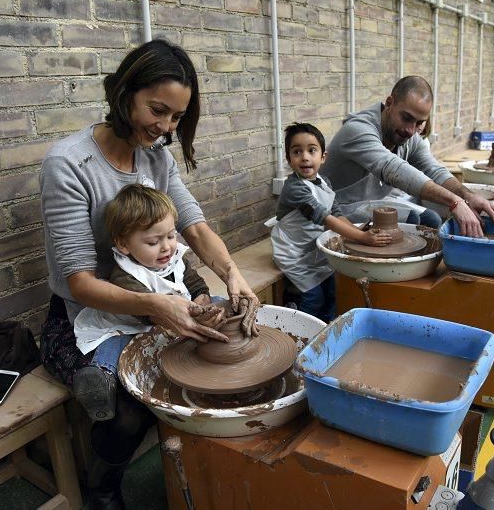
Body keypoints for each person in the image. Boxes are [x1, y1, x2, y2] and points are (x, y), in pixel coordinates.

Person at [39, 39, 259, 509]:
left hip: (160, 295)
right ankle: (101, 489)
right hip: (84, 317)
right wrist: (156, 307)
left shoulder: (157, 157)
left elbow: (194, 227)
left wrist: (232, 274)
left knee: (220, 345)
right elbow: (78, 280)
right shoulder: (69, 164)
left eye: (176, 118)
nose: (164, 129)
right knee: (131, 410)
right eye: (157, 110)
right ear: (123, 93)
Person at [72, 184, 225, 421]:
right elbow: (150, 314)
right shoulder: (125, 274)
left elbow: (192, 279)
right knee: (116, 344)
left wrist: (201, 297)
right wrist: (190, 312)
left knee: (219, 303)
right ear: (124, 244)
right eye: (153, 242)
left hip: (176, 311)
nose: (166, 247)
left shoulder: (173, 257)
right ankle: (101, 377)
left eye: (171, 236)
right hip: (131, 320)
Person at [320, 76, 494, 237]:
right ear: (390, 103)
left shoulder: (408, 136)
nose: (411, 130)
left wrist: (468, 196)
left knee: (429, 219)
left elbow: (433, 169)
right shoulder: (358, 130)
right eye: (407, 118)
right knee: (418, 220)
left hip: (364, 205)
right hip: (331, 211)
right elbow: (393, 169)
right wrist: (455, 202)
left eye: (419, 122)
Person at [271, 122, 391, 322]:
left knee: (332, 292)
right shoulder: (294, 189)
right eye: (297, 151)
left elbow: (336, 213)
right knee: (315, 298)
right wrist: (362, 237)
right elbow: (326, 220)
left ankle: (326, 330)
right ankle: (300, 335)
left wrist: (356, 231)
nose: (305, 157)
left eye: (312, 150)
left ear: (323, 156)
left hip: (313, 249)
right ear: (289, 160)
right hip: (292, 253)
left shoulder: (325, 182)